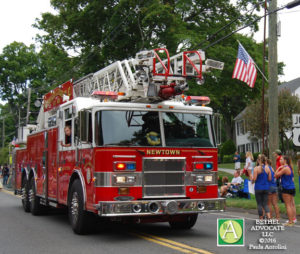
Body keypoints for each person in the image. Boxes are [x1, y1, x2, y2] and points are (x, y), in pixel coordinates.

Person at [275, 156, 296, 226]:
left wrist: (278, 168)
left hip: (286, 188)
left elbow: (276, 175)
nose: (280, 161)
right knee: (291, 204)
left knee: (288, 205)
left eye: (281, 159)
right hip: (292, 187)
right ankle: (293, 219)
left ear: (285, 161)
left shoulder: (284, 168)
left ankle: (290, 221)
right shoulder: (290, 167)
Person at [252, 154, 272, 219]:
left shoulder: (256, 169)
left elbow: (254, 179)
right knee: (265, 204)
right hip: (266, 187)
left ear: (258, 160)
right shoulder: (268, 168)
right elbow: (269, 179)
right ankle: (268, 217)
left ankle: (261, 218)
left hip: (258, 187)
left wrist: (252, 180)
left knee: (259, 204)